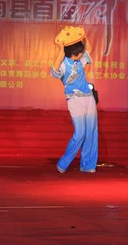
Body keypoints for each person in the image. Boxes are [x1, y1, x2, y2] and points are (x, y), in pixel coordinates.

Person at [50, 36, 98, 173]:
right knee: (80, 133)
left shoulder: (79, 62)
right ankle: (63, 163)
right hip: (75, 100)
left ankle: (88, 165)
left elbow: (89, 49)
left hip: (89, 98)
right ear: (74, 54)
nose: (83, 54)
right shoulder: (64, 64)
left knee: (91, 132)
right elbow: (54, 69)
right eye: (80, 53)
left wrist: (84, 37)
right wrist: (60, 49)